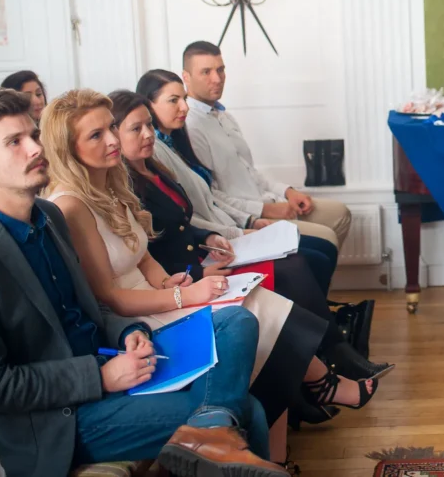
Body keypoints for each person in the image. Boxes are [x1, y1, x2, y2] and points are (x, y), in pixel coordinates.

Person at [0, 88, 285, 477]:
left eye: (34, 135)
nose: (35, 148)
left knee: (236, 321)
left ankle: (210, 430)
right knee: (249, 412)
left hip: (111, 357)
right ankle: (211, 434)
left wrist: (128, 332)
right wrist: (100, 376)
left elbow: (88, 308)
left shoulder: (47, 216)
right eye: (14, 142)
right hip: (56, 418)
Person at [39, 89, 380, 435]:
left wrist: (167, 281)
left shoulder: (109, 183)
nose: (113, 140)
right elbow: (109, 298)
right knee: (257, 314)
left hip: (153, 297)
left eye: (112, 127)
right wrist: (184, 295)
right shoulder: (71, 205)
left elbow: (142, 256)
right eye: (96, 135)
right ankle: (319, 387)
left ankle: (310, 399)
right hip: (132, 322)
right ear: (68, 148)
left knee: (262, 300)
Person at [112, 86, 392, 383]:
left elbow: (185, 221)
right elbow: (154, 250)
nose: (148, 134)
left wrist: (207, 237)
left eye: (149, 125)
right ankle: (331, 357)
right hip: (188, 274)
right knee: (294, 268)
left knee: (297, 260)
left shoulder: (155, 168)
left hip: (205, 256)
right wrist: (200, 269)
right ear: (115, 135)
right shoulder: (125, 185)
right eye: (136, 129)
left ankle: (330, 355)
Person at [181, 41, 350, 282]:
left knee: (340, 214)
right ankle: (312, 293)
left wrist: (287, 191)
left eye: (220, 69)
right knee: (326, 240)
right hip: (247, 216)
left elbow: (250, 171)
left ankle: (315, 288)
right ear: (186, 77)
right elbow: (211, 195)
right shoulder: (191, 126)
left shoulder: (224, 115)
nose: (217, 79)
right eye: (206, 72)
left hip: (269, 200)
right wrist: (263, 210)